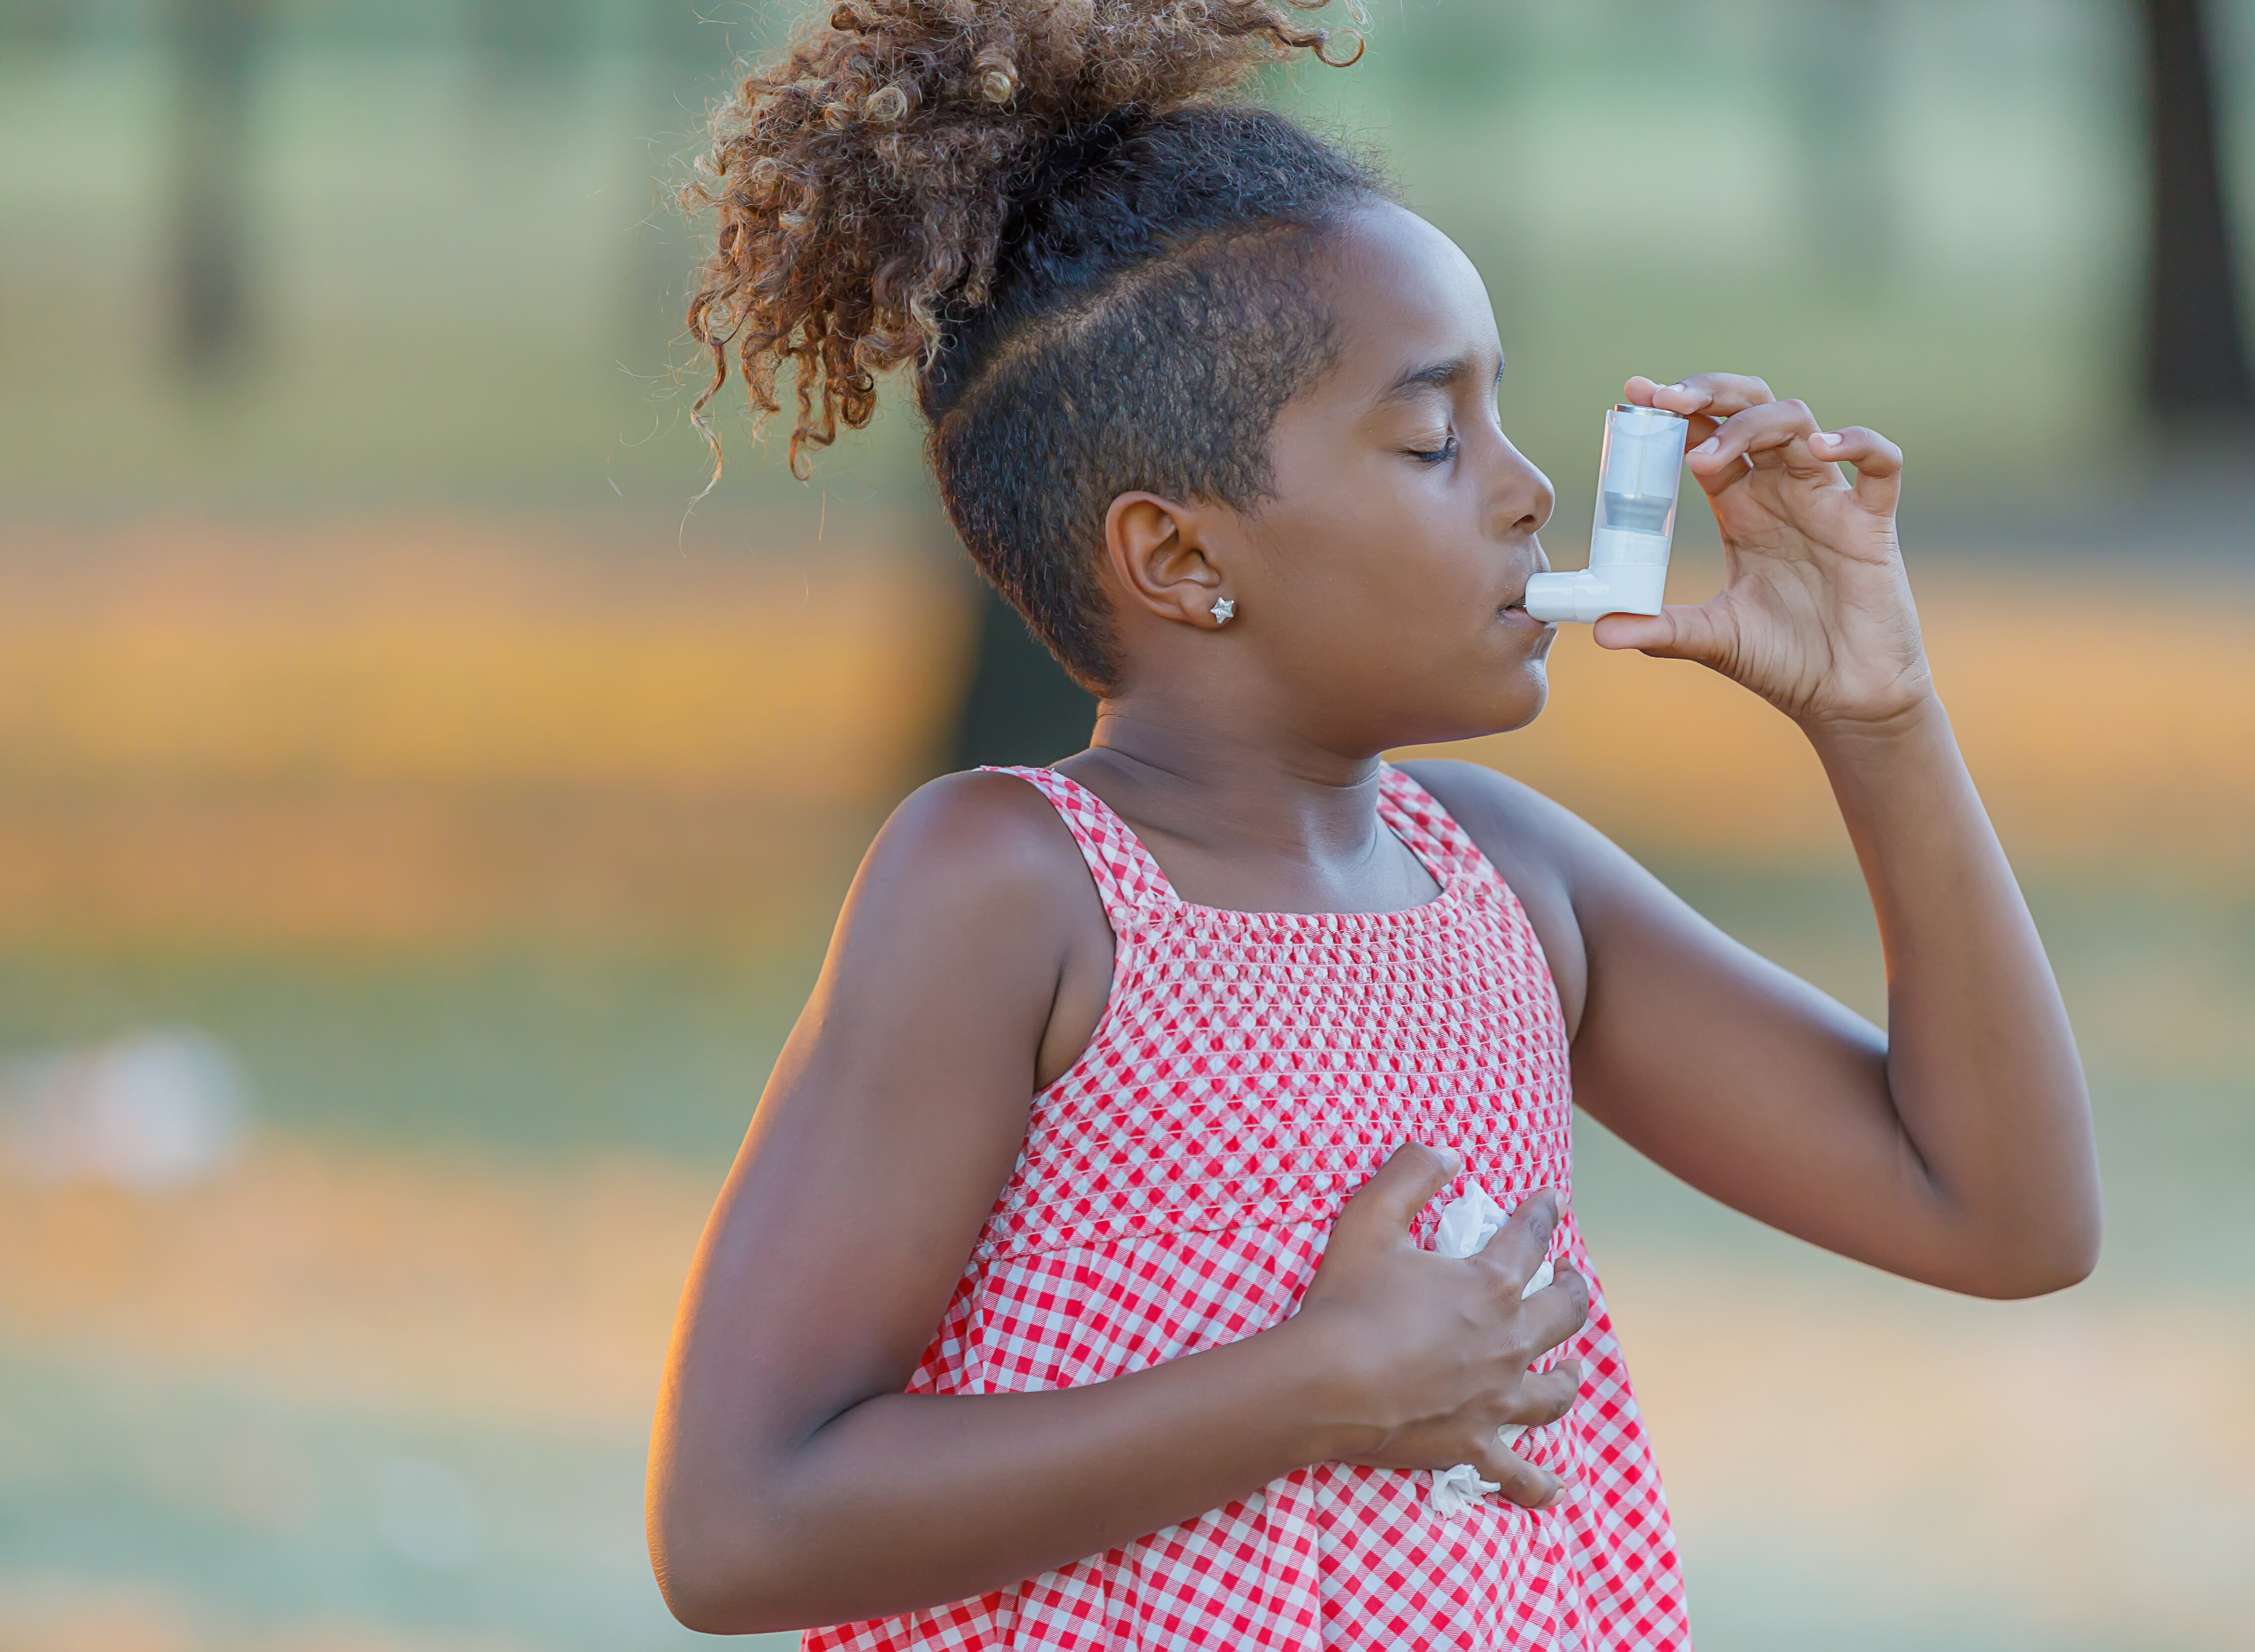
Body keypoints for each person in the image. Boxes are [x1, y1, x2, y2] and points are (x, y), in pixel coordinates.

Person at [645, 2, 2101, 1647]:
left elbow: (2004, 1217)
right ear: (1183, 561)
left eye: (1499, 414)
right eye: (1431, 437)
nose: (1525, 487)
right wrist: (1315, 1388)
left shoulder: (1509, 879)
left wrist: (1882, 719)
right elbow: (739, 1524)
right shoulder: (1016, 889)